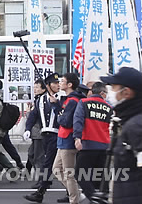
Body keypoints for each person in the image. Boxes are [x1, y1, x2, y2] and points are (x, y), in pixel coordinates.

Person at [100, 67, 142, 203]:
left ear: (126, 92)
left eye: (113, 88)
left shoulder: (136, 126)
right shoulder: (127, 121)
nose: (110, 93)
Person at [24, 73, 61, 203]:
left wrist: (56, 103)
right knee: (56, 166)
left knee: (49, 164)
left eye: (58, 83)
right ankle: (68, 191)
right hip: (44, 134)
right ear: (48, 85)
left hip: (57, 135)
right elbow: (33, 115)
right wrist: (27, 129)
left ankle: (41, 190)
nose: (58, 85)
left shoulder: (61, 98)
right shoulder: (40, 100)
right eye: (55, 83)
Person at [73, 81, 112, 201]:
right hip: (104, 145)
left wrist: (77, 137)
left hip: (88, 145)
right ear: (102, 93)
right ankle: (99, 197)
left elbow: (78, 120)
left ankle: (94, 198)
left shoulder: (84, 103)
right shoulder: (109, 107)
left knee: (80, 174)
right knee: (99, 178)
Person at [52, 73, 86, 204]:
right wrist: (57, 106)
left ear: (69, 84)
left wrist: (57, 109)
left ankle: (74, 200)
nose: (59, 83)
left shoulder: (73, 101)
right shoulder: (68, 99)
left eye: (62, 81)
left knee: (68, 174)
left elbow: (65, 121)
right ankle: (76, 193)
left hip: (68, 140)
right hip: (63, 139)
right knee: (56, 169)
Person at [23, 80, 46, 189]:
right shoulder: (37, 100)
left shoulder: (42, 101)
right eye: (34, 87)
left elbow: (35, 117)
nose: (35, 89)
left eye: (37, 87)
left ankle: (42, 181)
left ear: (43, 89)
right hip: (35, 133)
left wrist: (29, 112)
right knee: (31, 154)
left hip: (39, 133)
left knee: (38, 157)